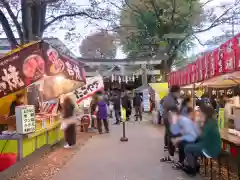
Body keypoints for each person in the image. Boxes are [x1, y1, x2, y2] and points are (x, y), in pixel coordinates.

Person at [183, 102, 221, 176]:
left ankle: (192, 169)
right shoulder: (211, 121)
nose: (199, 113)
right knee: (192, 146)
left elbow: (202, 136)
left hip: (209, 148)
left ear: (204, 113)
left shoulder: (209, 123)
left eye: (200, 112)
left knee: (187, 148)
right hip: (209, 145)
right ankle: (195, 166)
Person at [160, 85, 180, 162]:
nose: (179, 94)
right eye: (178, 92)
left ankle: (170, 155)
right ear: (175, 92)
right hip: (170, 120)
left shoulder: (171, 98)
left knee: (170, 136)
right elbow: (173, 109)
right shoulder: (169, 99)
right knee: (171, 136)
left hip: (169, 119)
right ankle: (171, 156)